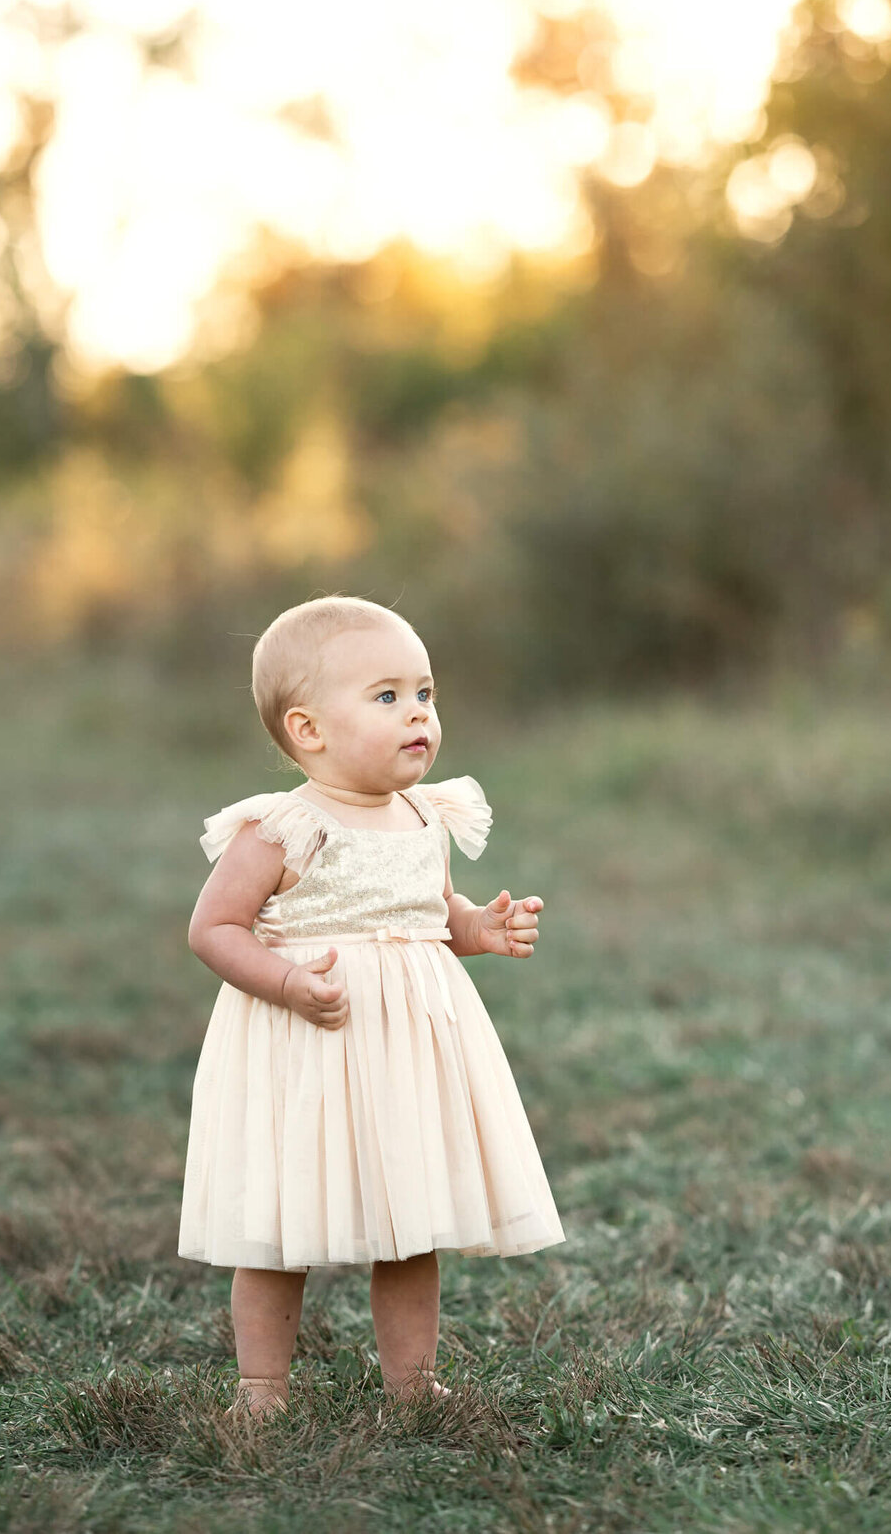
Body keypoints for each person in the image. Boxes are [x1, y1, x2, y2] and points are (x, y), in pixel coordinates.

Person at [178, 593, 566, 1420]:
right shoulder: (281, 828)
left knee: (412, 1220)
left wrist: (479, 928)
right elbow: (213, 927)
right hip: (307, 1045)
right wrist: (286, 981)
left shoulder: (428, 814)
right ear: (309, 729)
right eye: (386, 696)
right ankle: (262, 1389)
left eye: (424, 692)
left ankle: (413, 1381)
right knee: (281, 1227)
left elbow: (430, 915)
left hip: (407, 1053)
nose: (418, 713)